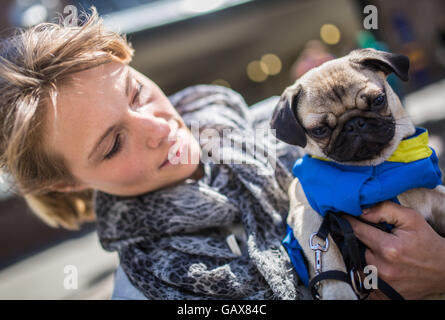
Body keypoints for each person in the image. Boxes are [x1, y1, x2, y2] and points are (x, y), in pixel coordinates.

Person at [0, 8, 444, 300]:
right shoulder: (147, 286)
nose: (160, 128)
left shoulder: (278, 120)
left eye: (136, 93)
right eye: (113, 144)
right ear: (68, 182)